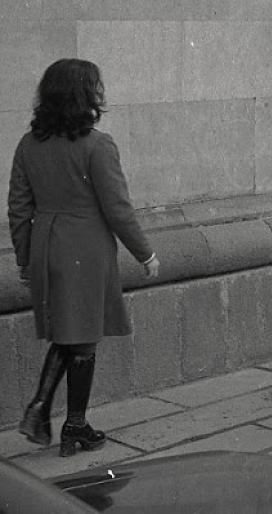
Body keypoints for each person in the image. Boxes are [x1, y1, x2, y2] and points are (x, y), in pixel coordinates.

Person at [8, 59, 160, 457]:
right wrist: (146, 253)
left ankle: (42, 410)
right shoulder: (97, 145)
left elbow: (18, 210)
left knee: (68, 334)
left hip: (46, 248)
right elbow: (118, 209)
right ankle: (73, 424)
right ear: (83, 95)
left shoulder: (28, 145)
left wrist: (26, 260)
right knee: (84, 339)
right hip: (85, 250)